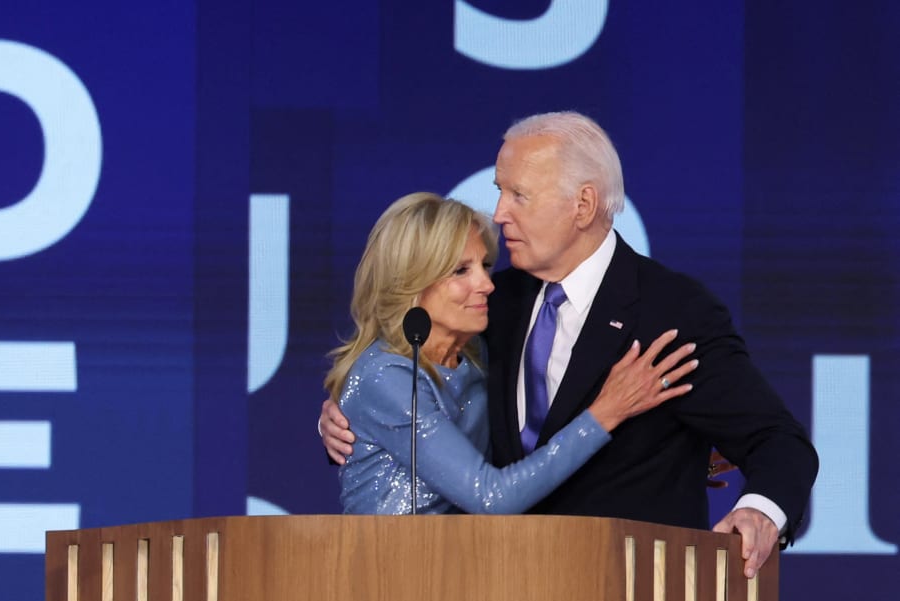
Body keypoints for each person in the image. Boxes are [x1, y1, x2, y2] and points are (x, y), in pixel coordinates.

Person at [322, 112, 818, 577]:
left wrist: (759, 511)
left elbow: (777, 441)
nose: (499, 213)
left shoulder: (670, 311)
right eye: (500, 192)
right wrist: (351, 417)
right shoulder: (496, 305)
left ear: (582, 205)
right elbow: (433, 399)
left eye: (519, 195)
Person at [326, 191, 698, 514]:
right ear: (411, 282)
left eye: (485, 265)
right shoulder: (385, 376)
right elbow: (491, 496)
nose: (487, 284)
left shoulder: (480, 358)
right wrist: (605, 412)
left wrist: (666, 457)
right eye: (460, 271)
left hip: (467, 570)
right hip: (385, 575)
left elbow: (529, 449)